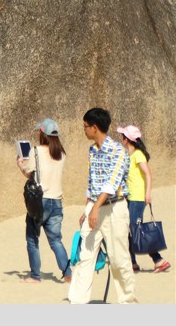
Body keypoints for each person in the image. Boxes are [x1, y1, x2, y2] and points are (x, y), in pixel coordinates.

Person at [68, 107, 136, 304]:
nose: (84, 130)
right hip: (95, 208)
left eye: (86, 126)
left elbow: (112, 183)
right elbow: (92, 183)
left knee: (119, 260)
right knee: (84, 257)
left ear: (95, 127)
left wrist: (95, 208)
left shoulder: (118, 151)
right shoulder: (92, 151)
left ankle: (128, 304)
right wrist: (87, 208)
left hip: (115, 209)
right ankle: (77, 303)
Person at [16, 118, 71, 283]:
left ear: (43, 133)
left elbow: (29, 173)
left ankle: (35, 276)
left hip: (40, 202)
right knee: (56, 240)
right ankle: (68, 273)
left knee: (32, 239)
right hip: (57, 201)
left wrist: (20, 163)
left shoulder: (36, 151)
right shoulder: (62, 155)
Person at [118, 124, 170, 273]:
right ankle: (132, 263)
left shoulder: (138, 154)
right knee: (129, 229)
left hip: (138, 198)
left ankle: (158, 260)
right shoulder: (131, 155)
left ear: (127, 139)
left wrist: (148, 194)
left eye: (123, 136)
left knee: (136, 230)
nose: (121, 138)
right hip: (131, 197)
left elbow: (148, 174)